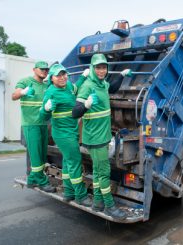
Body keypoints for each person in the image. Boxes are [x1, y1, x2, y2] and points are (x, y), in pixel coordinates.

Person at [72, 53, 131, 220]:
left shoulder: (102, 84)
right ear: (92, 68)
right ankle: (109, 206)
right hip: (95, 138)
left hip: (103, 136)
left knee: (98, 172)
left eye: (104, 67)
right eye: (98, 67)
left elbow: (112, 88)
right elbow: (75, 112)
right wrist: (86, 105)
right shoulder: (88, 86)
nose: (101, 70)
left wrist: (121, 75)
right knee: (104, 172)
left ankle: (98, 202)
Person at [39, 64, 93, 206]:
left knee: (68, 163)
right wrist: (46, 109)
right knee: (75, 162)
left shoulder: (68, 85)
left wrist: (83, 77)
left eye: (64, 74)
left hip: (73, 130)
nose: (62, 77)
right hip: (63, 134)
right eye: (58, 75)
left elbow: (76, 87)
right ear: (52, 78)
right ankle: (81, 196)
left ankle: (69, 192)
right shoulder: (51, 93)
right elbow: (43, 116)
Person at [12, 61, 56, 192]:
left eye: (46, 70)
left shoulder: (45, 86)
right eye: (41, 69)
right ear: (34, 69)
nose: (44, 71)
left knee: (42, 154)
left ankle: (32, 179)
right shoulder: (25, 81)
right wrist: (23, 92)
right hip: (31, 125)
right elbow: (14, 96)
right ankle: (42, 181)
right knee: (36, 155)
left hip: (43, 124)